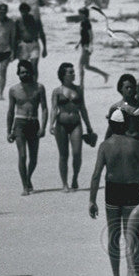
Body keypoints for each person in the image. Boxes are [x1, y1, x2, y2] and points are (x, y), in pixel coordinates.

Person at [88, 108, 139, 276]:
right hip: (132, 189)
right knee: (132, 234)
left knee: (113, 235)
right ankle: (134, 273)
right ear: (125, 125)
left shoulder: (105, 146)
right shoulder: (136, 145)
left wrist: (92, 200)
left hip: (113, 190)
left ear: (111, 125)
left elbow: (96, 175)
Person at [50, 62, 96, 191]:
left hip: (76, 123)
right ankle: (65, 184)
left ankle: (75, 177)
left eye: (73, 72)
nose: (73, 74)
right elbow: (54, 109)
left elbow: (83, 108)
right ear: (63, 75)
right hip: (61, 124)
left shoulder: (78, 89)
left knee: (77, 153)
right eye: (70, 72)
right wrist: (50, 124)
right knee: (63, 154)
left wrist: (89, 126)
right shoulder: (57, 91)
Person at [6, 59, 48, 196]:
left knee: (34, 158)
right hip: (20, 123)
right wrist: (9, 131)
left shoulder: (39, 88)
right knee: (22, 155)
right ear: (18, 73)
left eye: (26, 72)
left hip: (34, 123)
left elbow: (44, 108)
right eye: (21, 72)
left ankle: (28, 177)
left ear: (31, 72)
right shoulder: (13, 90)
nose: (24, 74)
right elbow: (10, 111)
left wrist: (43, 127)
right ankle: (25, 186)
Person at [106, 73, 139, 146]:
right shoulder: (115, 107)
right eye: (127, 87)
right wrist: (105, 143)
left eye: (131, 87)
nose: (129, 90)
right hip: (122, 143)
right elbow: (110, 128)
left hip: (138, 141)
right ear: (121, 88)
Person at [75, 6, 109, 87]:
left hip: (86, 46)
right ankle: (104, 74)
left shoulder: (87, 23)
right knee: (87, 66)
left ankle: (81, 84)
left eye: (80, 14)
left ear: (84, 14)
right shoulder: (82, 22)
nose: (79, 15)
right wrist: (78, 44)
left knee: (80, 65)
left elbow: (91, 35)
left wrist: (90, 46)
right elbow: (83, 36)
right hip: (83, 45)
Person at [14, 1, 47, 76]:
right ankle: (25, 84)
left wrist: (45, 48)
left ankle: (34, 85)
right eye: (22, 12)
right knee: (23, 67)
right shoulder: (18, 21)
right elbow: (15, 36)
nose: (23, 14)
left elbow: (42, 34)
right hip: (23, 45)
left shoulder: (35, 20)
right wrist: (14, 50)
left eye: (25, 12)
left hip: (34, 44)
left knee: (34, 66)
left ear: (28, 11)